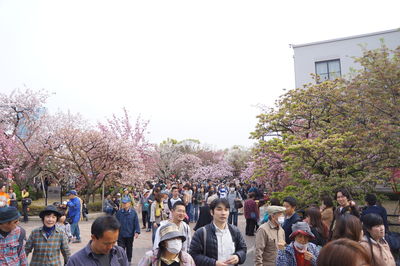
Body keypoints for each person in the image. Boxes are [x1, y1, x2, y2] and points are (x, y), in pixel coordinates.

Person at [190, 198, 247, 266]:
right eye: (219, 209)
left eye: (226, 210)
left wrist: (238, 256)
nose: (223, 213)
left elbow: (243, 249)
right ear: (211, 212)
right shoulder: (201, 233)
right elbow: (194, 255)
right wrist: (213, 263)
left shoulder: (235, 231)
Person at [115, 197, 140, 263]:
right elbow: (115, 223)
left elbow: (136, 223)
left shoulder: (133, 213)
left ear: (129, 203)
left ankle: (129, 261)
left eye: (126, 203)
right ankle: (121, 262)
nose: (124, 204)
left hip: (130, 234)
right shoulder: (119, 213)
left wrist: (137, 232)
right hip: (120, 235)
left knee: (129, 249)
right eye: (123, 203)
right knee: (120, 249)